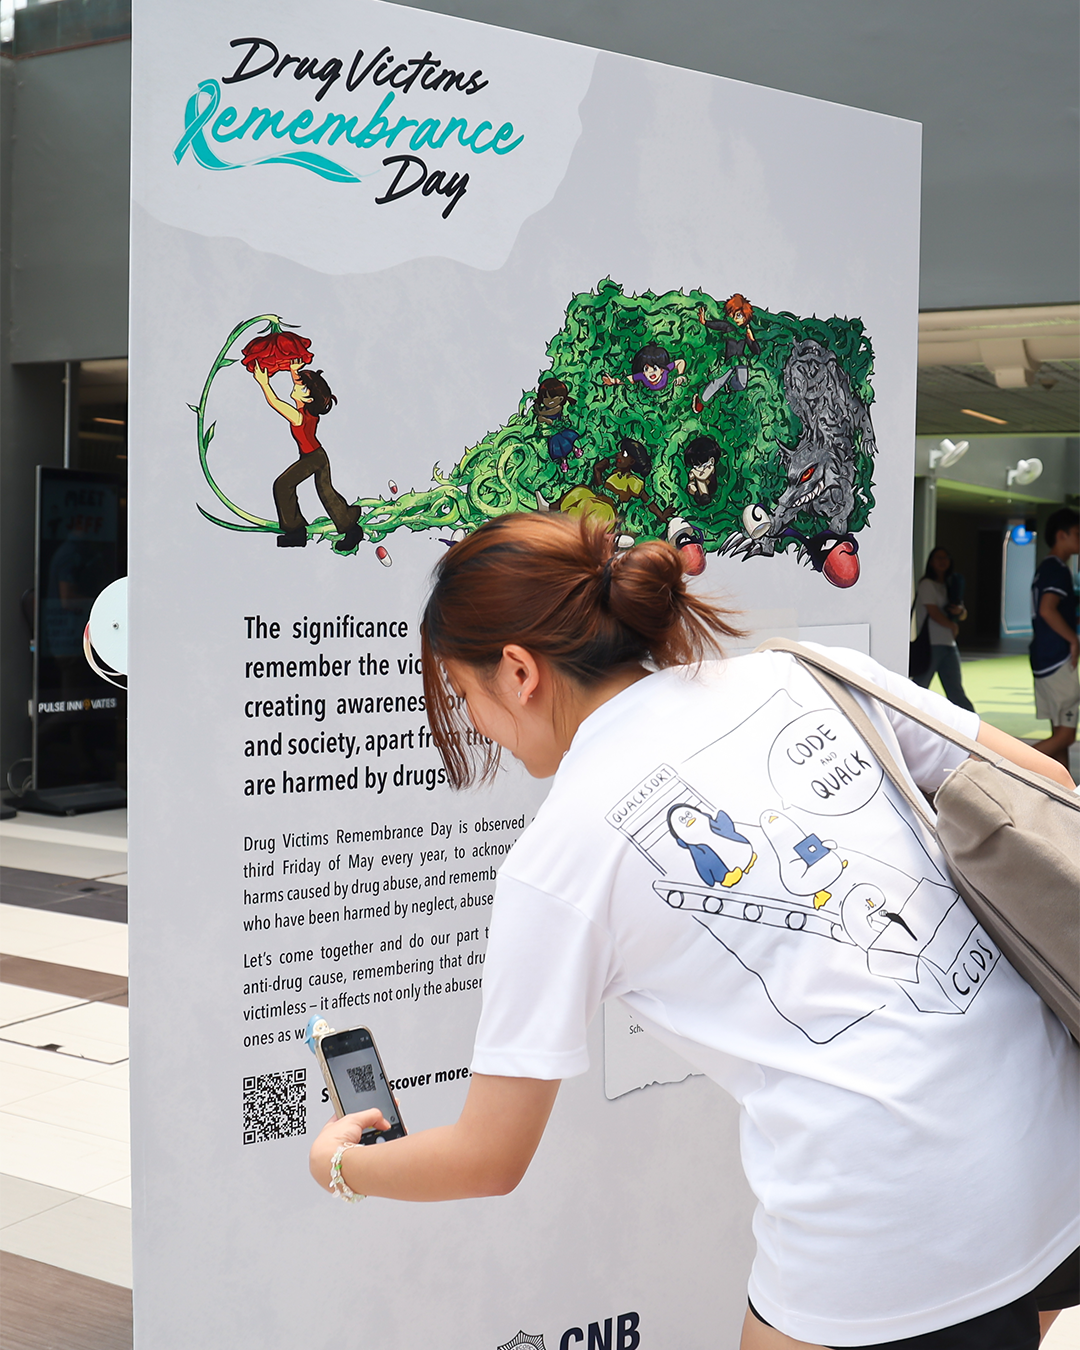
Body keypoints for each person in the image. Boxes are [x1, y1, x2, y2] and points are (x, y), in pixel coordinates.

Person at [309, 514, 1078, 1350]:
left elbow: (488, 1156)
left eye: (465, 697)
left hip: (885, 1215)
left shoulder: (559, 854)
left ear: (520, 671)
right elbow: (1039, 785)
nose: (475, 724)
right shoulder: (802, 673)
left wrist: (343, 1165)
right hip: (1050, 1131)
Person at [252, 359, 364, 552]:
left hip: (314, 458)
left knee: (283, 485)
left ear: (309, 399)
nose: (296, 385)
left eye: (301, 387)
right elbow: (300, 389)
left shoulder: (298, 417)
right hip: (316, 456)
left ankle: (296, 530)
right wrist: (293, 370)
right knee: (326, 492)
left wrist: (264, 383)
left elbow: (275, 402)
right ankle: (350, 527)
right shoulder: (306, 407)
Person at [1030, 507, 1079, 770]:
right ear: (1061, 535)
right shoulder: (1057, 569)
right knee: (1066, 735)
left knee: (1060, 733)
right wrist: (1074, 639)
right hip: (1057, 658)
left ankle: (1064, 789)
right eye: (1077, 534)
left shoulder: (1045, 567)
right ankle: (1004, 768)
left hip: (1043, 657)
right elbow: (1047, 609)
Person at [912, 547, 975, 711]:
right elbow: (933, 612)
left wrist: (959, 612)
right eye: (938, 558)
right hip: (931, 643)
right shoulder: (927, 584)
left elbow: (963, 613)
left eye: (946, 557)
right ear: (931, 562)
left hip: (948, 644)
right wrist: (952, 625)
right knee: (919, 688)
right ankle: (907, 717)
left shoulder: (950, 584)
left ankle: (970, 723)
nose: (942, 561)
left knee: (956, 691)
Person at [693, 293, 761, 410]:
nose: (737, 318)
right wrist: (705, 322)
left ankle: (729, 385)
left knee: (742, 384)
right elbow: (718, 325)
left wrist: (752, 339)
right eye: (734, 315)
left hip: (741, 361)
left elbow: (756, 351)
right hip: (729, 361)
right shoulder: (728, 326)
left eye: (740, 315)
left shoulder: (745, 332)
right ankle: (702, 399)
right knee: (718, 382)